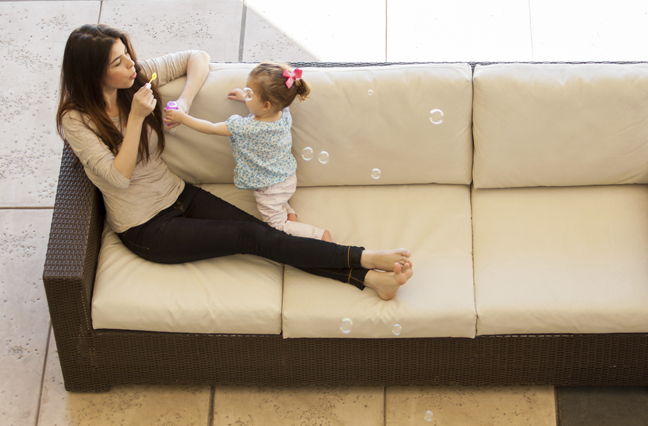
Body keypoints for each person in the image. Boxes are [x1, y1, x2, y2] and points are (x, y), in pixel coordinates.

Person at [55, 24, 412, 300]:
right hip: (146, 227)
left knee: (267, 236)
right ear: (93, 73)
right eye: (119, 62)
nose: (132, 64)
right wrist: (134, 119)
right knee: (250, 236)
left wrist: (186, 102)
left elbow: (197, 56)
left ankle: (369, 280)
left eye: (128, 54)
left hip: (179, 194)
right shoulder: (77, 120)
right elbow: (117, 179)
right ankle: (365, 258)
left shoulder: (135, 79)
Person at [164, 62, 329, 241]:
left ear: (266, 105)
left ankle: (318, 235)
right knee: (279, 202)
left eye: (249, 94)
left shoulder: (246, 127)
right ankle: (289, 211)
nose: (246, 94)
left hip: (270, 189)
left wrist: (183, 118)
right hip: (288, 177)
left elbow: (211, 128)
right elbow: (270, 102)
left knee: (276, 226)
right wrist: (246, 97)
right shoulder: (283, 111)